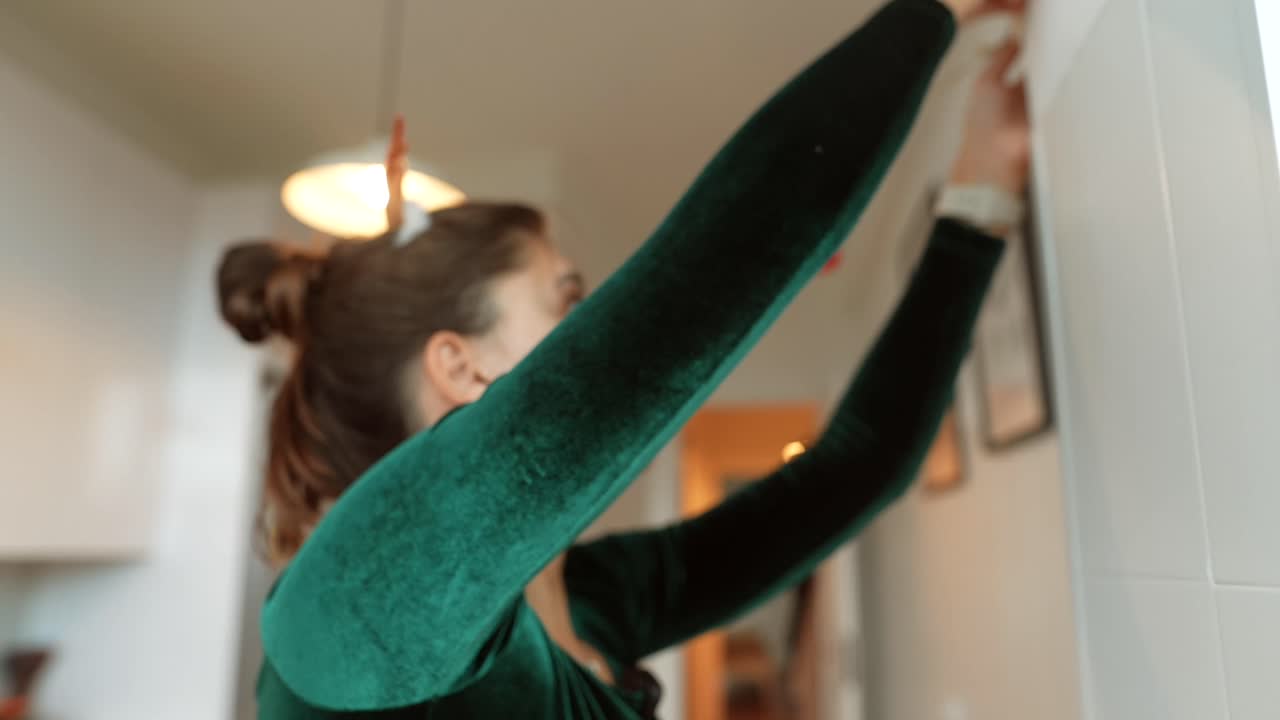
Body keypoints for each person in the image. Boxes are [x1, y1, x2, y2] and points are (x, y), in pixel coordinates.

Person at [219, 0, 1029, 716]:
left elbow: (856, 469)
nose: (594, 326)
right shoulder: (348, 610)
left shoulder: (590, 595)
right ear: (462, 369)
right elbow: (694, 292)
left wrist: (977, 195)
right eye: (566, 297)